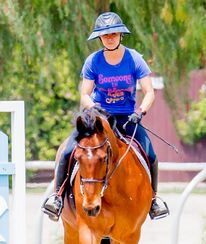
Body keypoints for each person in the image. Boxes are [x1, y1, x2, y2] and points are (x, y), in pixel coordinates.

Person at [42, 11, 169, 221]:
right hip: (98, 119)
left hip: (128, 118)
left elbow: (149, 92)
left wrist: (140, 112)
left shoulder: (134, 59)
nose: (110, 38)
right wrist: (98, 111)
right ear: (100, 38)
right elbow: (84, 94)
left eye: (114, 34)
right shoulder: (93, 61)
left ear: (121, 35)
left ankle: (153, 200)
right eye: (105, 35)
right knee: (68, 151)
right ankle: (56, 197)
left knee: (152, 155)